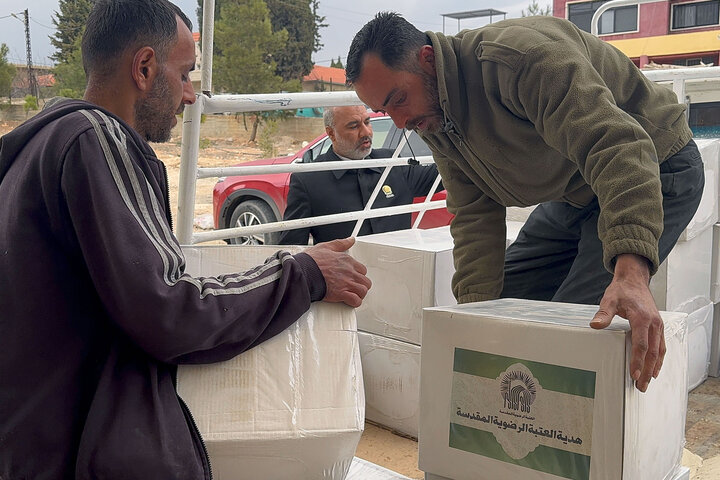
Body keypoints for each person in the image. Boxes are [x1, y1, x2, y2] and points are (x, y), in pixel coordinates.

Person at [0, 0, 370, 478]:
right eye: (184, 74)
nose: (191, 95)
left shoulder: (40, 145)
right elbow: (169, 310)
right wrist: (304, 274)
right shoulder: (95, 140)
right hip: (73, 454)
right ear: (145, 68)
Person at [345, 12, 704, 392]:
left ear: (427, 60)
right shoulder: (430, 113)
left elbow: (618, 148)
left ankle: (574, 440)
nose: (399, 123)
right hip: (575, 188)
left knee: (571, 327)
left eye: (398, 99)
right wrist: (472, 323)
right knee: (498, 310)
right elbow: (473, 211)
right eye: (385, 111)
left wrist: (632, 275)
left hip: (655, 166)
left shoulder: (519, 60)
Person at [279, 105, 441, 245]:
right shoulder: (308, 179)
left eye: (367, 122)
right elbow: (291, 246)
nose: (366, 132)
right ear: (331, 133)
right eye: (353, 126)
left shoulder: (392, 163)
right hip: (345, 278)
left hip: (398, 273)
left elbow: (444, 173)